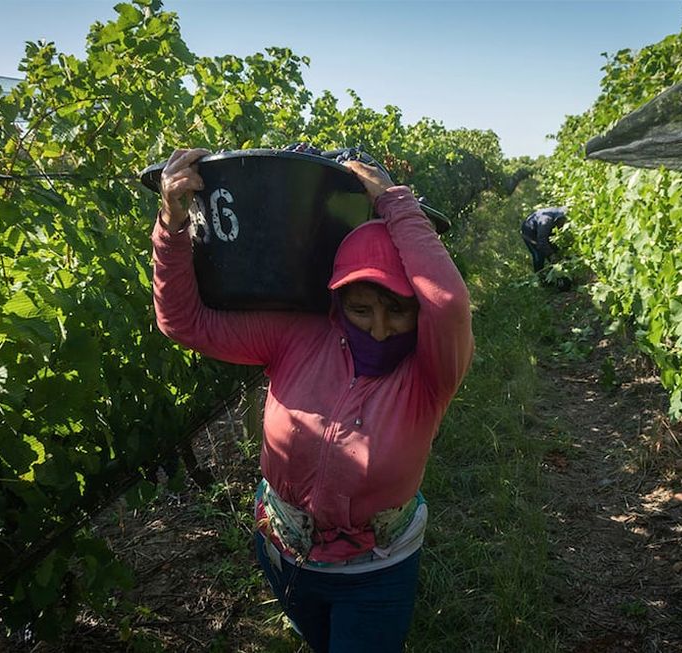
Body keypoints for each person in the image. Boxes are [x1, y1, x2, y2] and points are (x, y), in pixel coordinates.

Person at [151, 147, 474, 653]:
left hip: (377, 570)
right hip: (283, 550)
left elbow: (450, 301)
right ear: (335, 300)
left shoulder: (430, 374)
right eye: (361, 308)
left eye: (398, 312)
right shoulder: (297, 336)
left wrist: (394, 201)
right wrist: (172, 226)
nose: (381, 328)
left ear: (419, 313)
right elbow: (183, 322)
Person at [521, 206, 567, 273]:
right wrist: (551, 255)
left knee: (556, 250)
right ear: (558, 219)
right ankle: (539, 276)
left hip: (542, 232)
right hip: (529, 234)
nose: (562, 225)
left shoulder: (559, 212)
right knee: (539, 255)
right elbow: (542, 241)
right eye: (561, 223)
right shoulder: (546, 222)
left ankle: (561, 272)